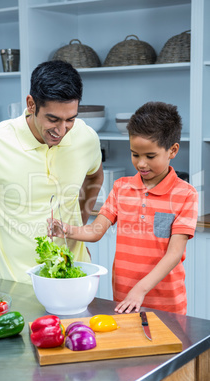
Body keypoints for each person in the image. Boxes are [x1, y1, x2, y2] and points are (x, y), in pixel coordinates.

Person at [0, 60, 103, 299]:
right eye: (53, 119)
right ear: (31, 104)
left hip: (78, 280)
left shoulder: (86, 137)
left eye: (70, 119)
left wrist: (79, 229)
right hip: (19, 288)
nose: (62, 131)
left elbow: (95, 176)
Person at [48, 101, 198, 315]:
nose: (141, 164)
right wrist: (66, 229)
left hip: (167, 304)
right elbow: (96, 230)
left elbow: (174, 254)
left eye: (150, 156)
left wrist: (141, 289)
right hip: (125, 298)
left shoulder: (186, 194)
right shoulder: (121, 188)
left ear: (172, 150)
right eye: (135, 154)